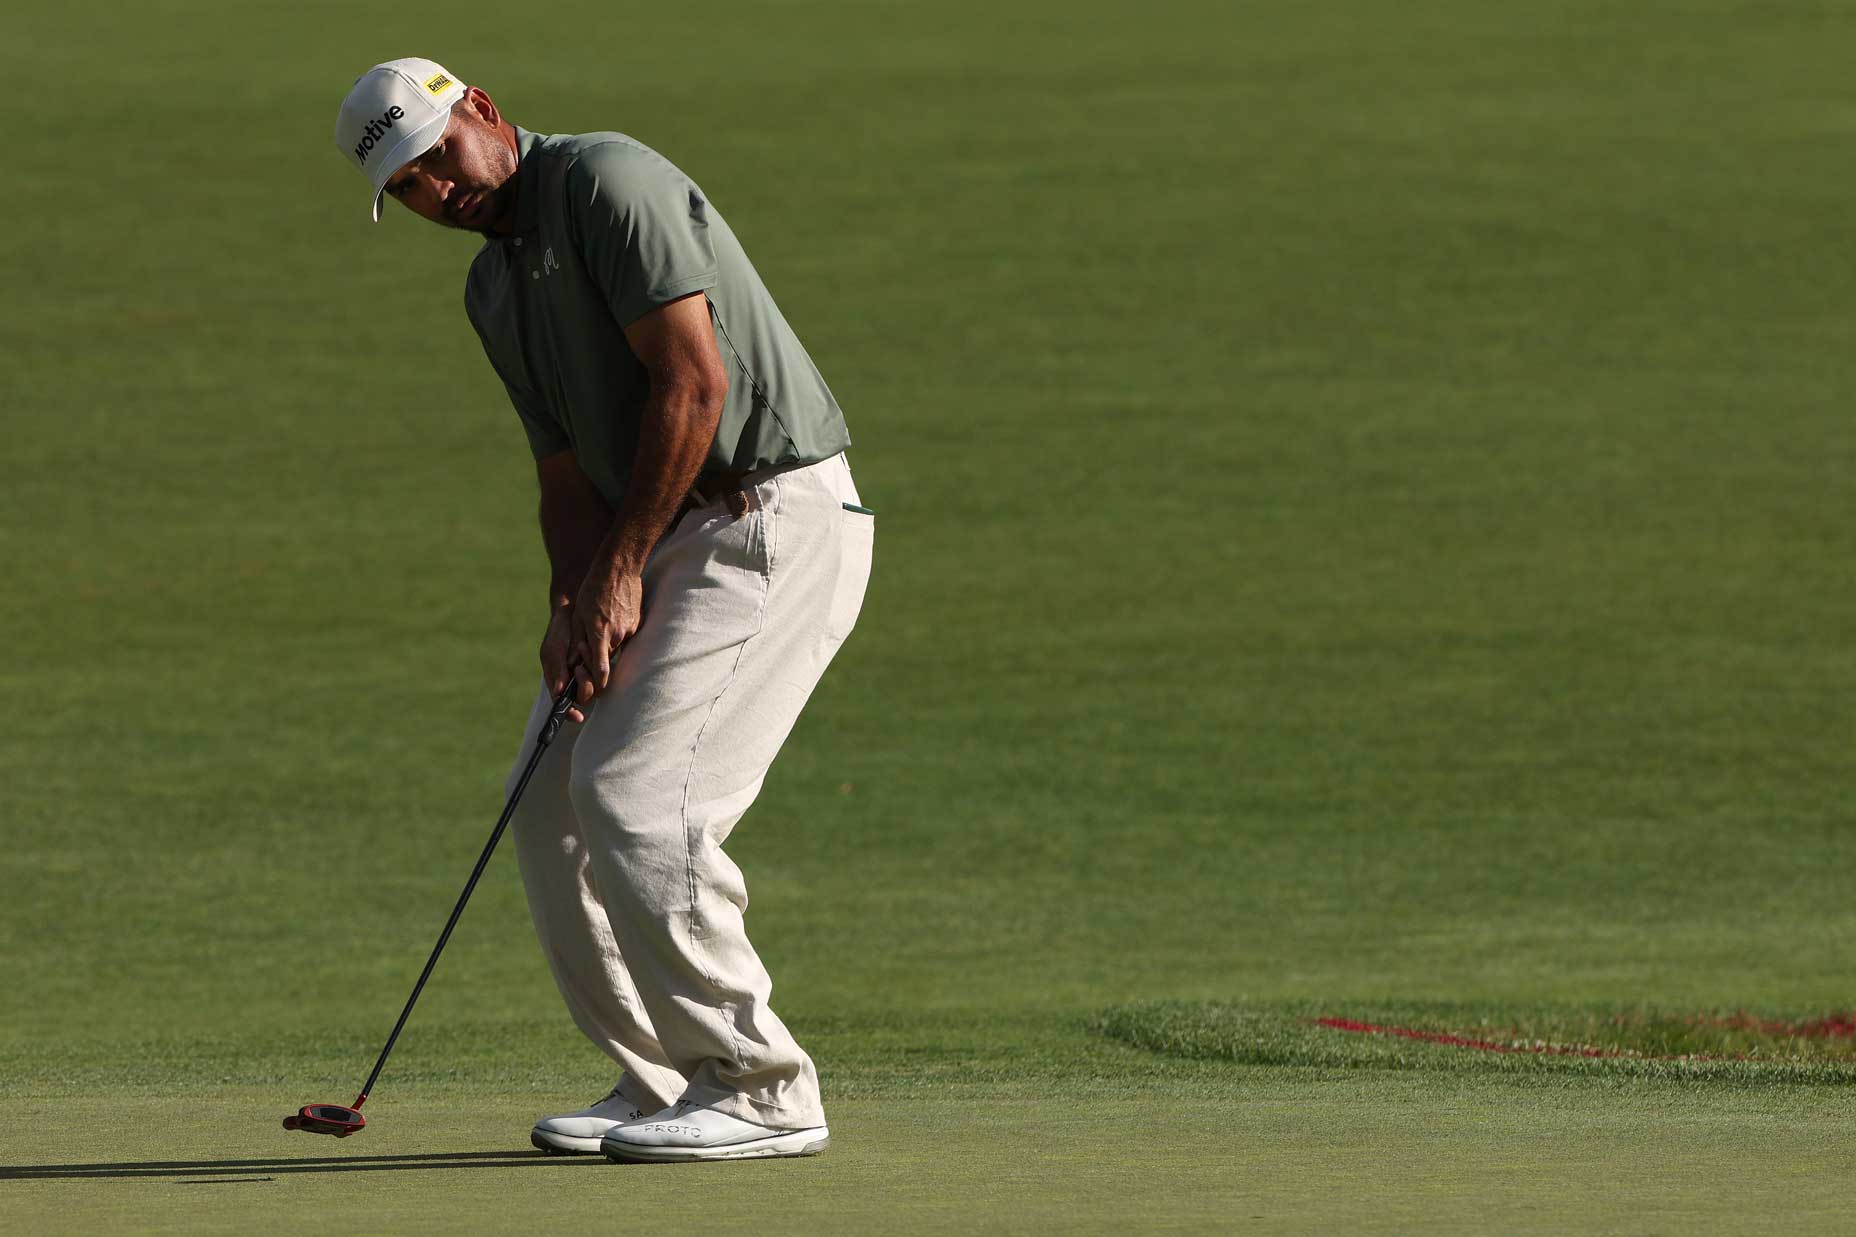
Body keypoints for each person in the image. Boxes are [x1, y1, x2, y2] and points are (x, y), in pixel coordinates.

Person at [333, 58, 872, 1164]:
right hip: (663, 530)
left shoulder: (605, 182)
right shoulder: (491, 290)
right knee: (548, 805)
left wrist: (620, 572)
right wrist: (571, 603)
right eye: (412, 186)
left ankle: (763, 1085)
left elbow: (693, 383)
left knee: (636, 795)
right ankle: (667, 1077)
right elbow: (565, 476)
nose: (440, 188)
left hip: (764, 518)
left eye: (439, 154)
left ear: (480, 109)